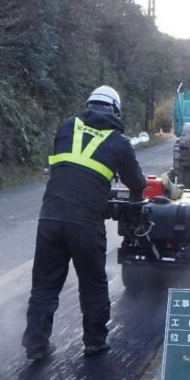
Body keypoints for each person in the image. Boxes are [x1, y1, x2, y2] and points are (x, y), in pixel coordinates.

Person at [23, 85, 146, 361]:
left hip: (50, 216)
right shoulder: (118, 141)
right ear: (115, 111)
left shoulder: (67, 126)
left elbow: (70, 171)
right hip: (86, 222)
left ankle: (36, 344)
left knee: (44, 285)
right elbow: (136, 183)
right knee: (93, 284)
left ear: (88, 105)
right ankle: (95, 342)